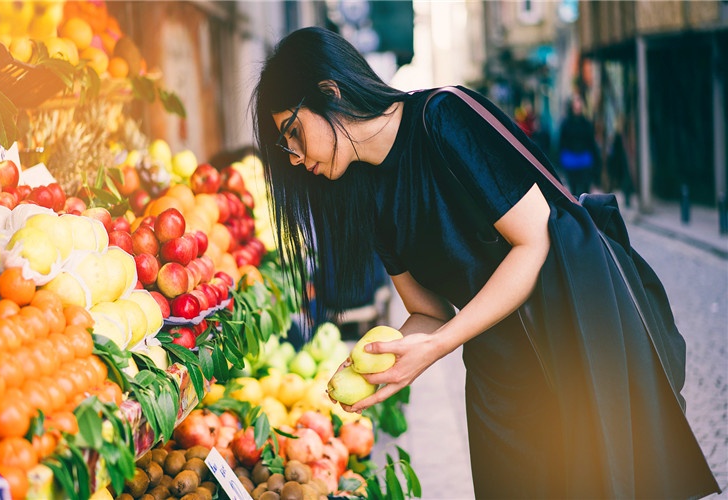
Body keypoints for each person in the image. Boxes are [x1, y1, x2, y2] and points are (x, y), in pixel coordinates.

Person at [251, 27, 720, 499]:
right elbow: (430, 312)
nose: (293, 157)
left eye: (293, 132)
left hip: (573, 345)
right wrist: (383, 364)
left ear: (329, 93)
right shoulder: (369, 197)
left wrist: (438, 346)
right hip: (500, 382)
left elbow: (533, 242)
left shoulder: (443, 116)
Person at [558, 93, 600, 196]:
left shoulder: (586, 124)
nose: (577, 106)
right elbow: (561, 142)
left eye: (579, 103)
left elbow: (591, 142)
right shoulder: (566, 124)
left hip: (584, 160)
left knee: (585, 190)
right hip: (570, 160)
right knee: (574, 190)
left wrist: (596, 160)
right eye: (575, 103)